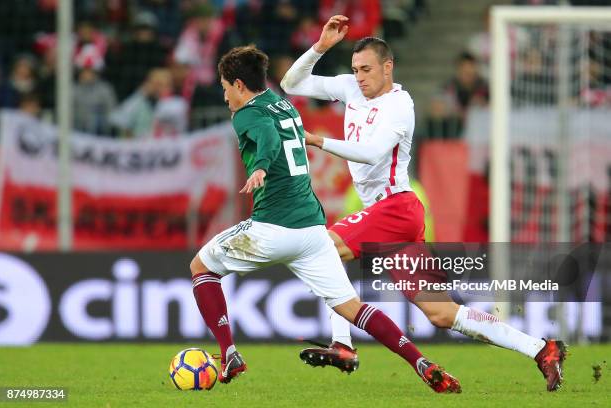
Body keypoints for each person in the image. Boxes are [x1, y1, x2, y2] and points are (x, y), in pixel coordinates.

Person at [281, 15, 567, 392]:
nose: (359, 76)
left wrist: (318, 141)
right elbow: (291, 83)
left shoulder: (400, 106)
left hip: (396, 207)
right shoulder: (351, 88)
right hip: (389, 217)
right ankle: (541, 349)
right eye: (354, 69)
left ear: (388, 67)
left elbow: (369, 154)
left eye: (366, 69)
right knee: (441, 312)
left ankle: (343, 345)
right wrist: (320, 47)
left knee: (322, 249)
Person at [190, 45, 461, 393]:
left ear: (239, 85)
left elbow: (269, 139)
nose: (224, 94)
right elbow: (281, 127)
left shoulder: (245, 114)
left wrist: (259, 167)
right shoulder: (283, 104)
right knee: (353, 308)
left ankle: (228, 353)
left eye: (225, 86)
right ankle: (420, 362)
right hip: (312, 230)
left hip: (271, 226)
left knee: (201, 267)